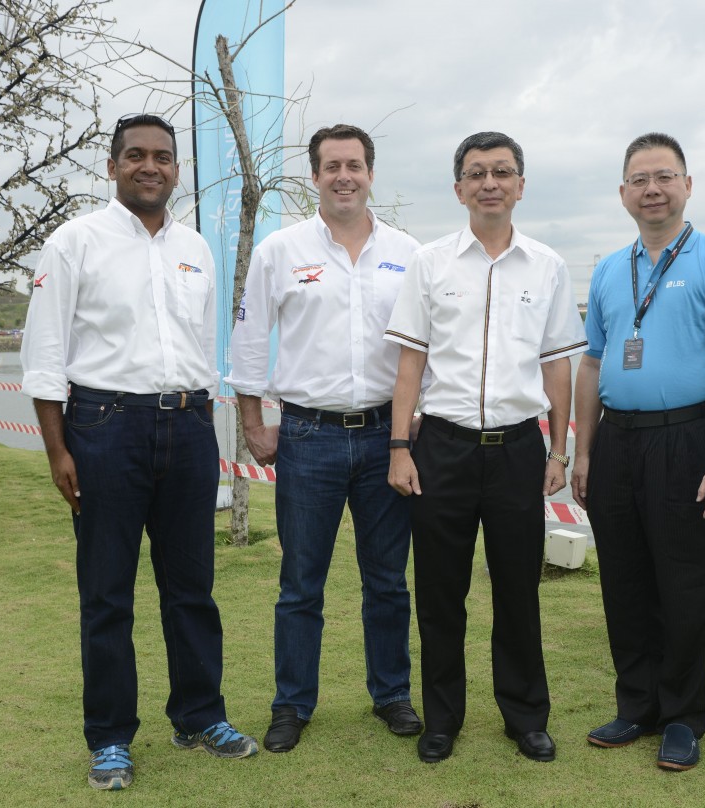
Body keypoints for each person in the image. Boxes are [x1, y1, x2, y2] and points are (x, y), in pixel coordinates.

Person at [20, 113, 257, 791]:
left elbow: (201, 349)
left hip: (186, 428)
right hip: (103, 427)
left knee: (191, 588)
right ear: (112, 165)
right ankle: (111, 740)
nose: (149, 166)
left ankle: (198, 716)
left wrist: (206, 423)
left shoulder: (197, 249)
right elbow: (44, 355)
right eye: (135, 156)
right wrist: (57, 450)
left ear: (177, 169)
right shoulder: (75, 242)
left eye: (161, 157)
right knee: (107, 594)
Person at [385, 131, 586, 764]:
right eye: (477, 173)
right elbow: (409, 364)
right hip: (440, 446)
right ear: (459, 188)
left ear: (520, 185)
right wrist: (399, 446)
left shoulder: (548, 266)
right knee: (440, 592)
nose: (489, 182)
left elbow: (558, 368)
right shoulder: (430, 262)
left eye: (502, 172)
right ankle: (442, 719)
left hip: (518, 451)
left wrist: (559, 453)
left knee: (517, 590)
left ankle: (525, 716)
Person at [226, 124, 422, 753]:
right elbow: (252, 340)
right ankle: (292, 704)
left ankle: (391, 694)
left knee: (387, 579)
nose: (345, 176)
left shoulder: (408, 252)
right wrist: (252, 422)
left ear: (371, 174)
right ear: (314, 175)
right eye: (332, 165)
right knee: (301, 581)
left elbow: (425, 347)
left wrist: (412, 431)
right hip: (307, 435)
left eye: (355, 165)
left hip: (386, 438)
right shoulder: (280, 249)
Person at [571, 132, 705, 771]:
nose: (652, 189)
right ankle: (637, 705)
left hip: (688, 439)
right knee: (623, 578)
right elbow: (592, 364)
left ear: (686, 185)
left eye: (664, 177)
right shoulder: (606, 268)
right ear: (623, 192)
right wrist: (583, 450)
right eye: (639, 179)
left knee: (684, 582)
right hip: (616, 439)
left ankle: (683, 715)